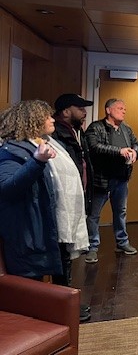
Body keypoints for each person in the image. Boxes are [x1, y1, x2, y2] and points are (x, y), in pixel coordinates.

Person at [0, 100, 88, 283]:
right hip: (28, 230)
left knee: (60, 275)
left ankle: (63, 298)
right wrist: (37, 161)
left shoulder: (52, 144)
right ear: (31, 120)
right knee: (32, 285)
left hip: (52, 223)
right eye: (47, 116)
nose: (52, 119)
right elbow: (7, 189)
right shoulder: (12, 151)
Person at [52, 93, 95, 322]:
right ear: (66, 111)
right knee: (62, 254)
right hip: (63, 203)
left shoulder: (76, 131)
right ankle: (63, 306)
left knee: (67, 255)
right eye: (80, 108)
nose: (84, 112)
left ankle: (66, 302)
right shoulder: (56, 135)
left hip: (77, 198)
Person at [85, 98, 138, 263]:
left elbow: (137, 144)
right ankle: (92, 247)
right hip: (101, 180)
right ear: (108, 110)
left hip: (121, 179)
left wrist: (135, 153)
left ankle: (122, 243)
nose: (124, 111)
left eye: (124, 109)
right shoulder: (96, 127)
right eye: (120, 108)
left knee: (120, 212)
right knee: (94, 215)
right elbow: (94, 147)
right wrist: (119, 151)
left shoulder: (126, 129)